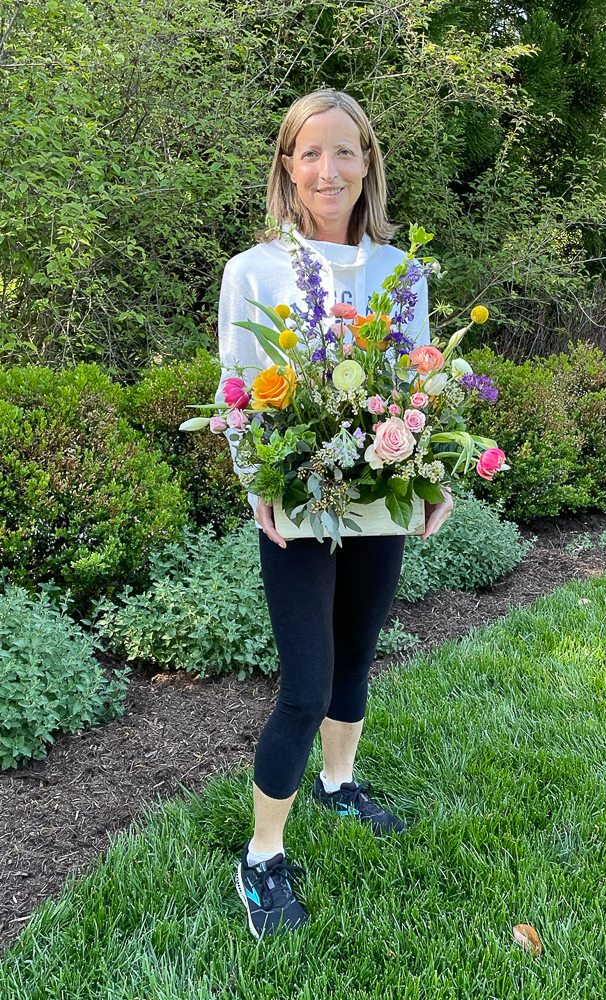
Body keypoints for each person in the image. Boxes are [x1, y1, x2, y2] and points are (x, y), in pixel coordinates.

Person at [216, 89, 453, 941]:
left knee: (357, 656)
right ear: (288, 164)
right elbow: (237, 392)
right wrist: (258, 486)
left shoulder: (401, 271)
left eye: (345, 152)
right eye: (310, 152)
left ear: (367, 163)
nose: (329, 169)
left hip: (375, 494)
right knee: (305, 685)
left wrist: (432, 477)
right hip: (296, 505)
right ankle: (263, 858)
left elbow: (422, 384)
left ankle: (336, 783)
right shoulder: (254, 270)